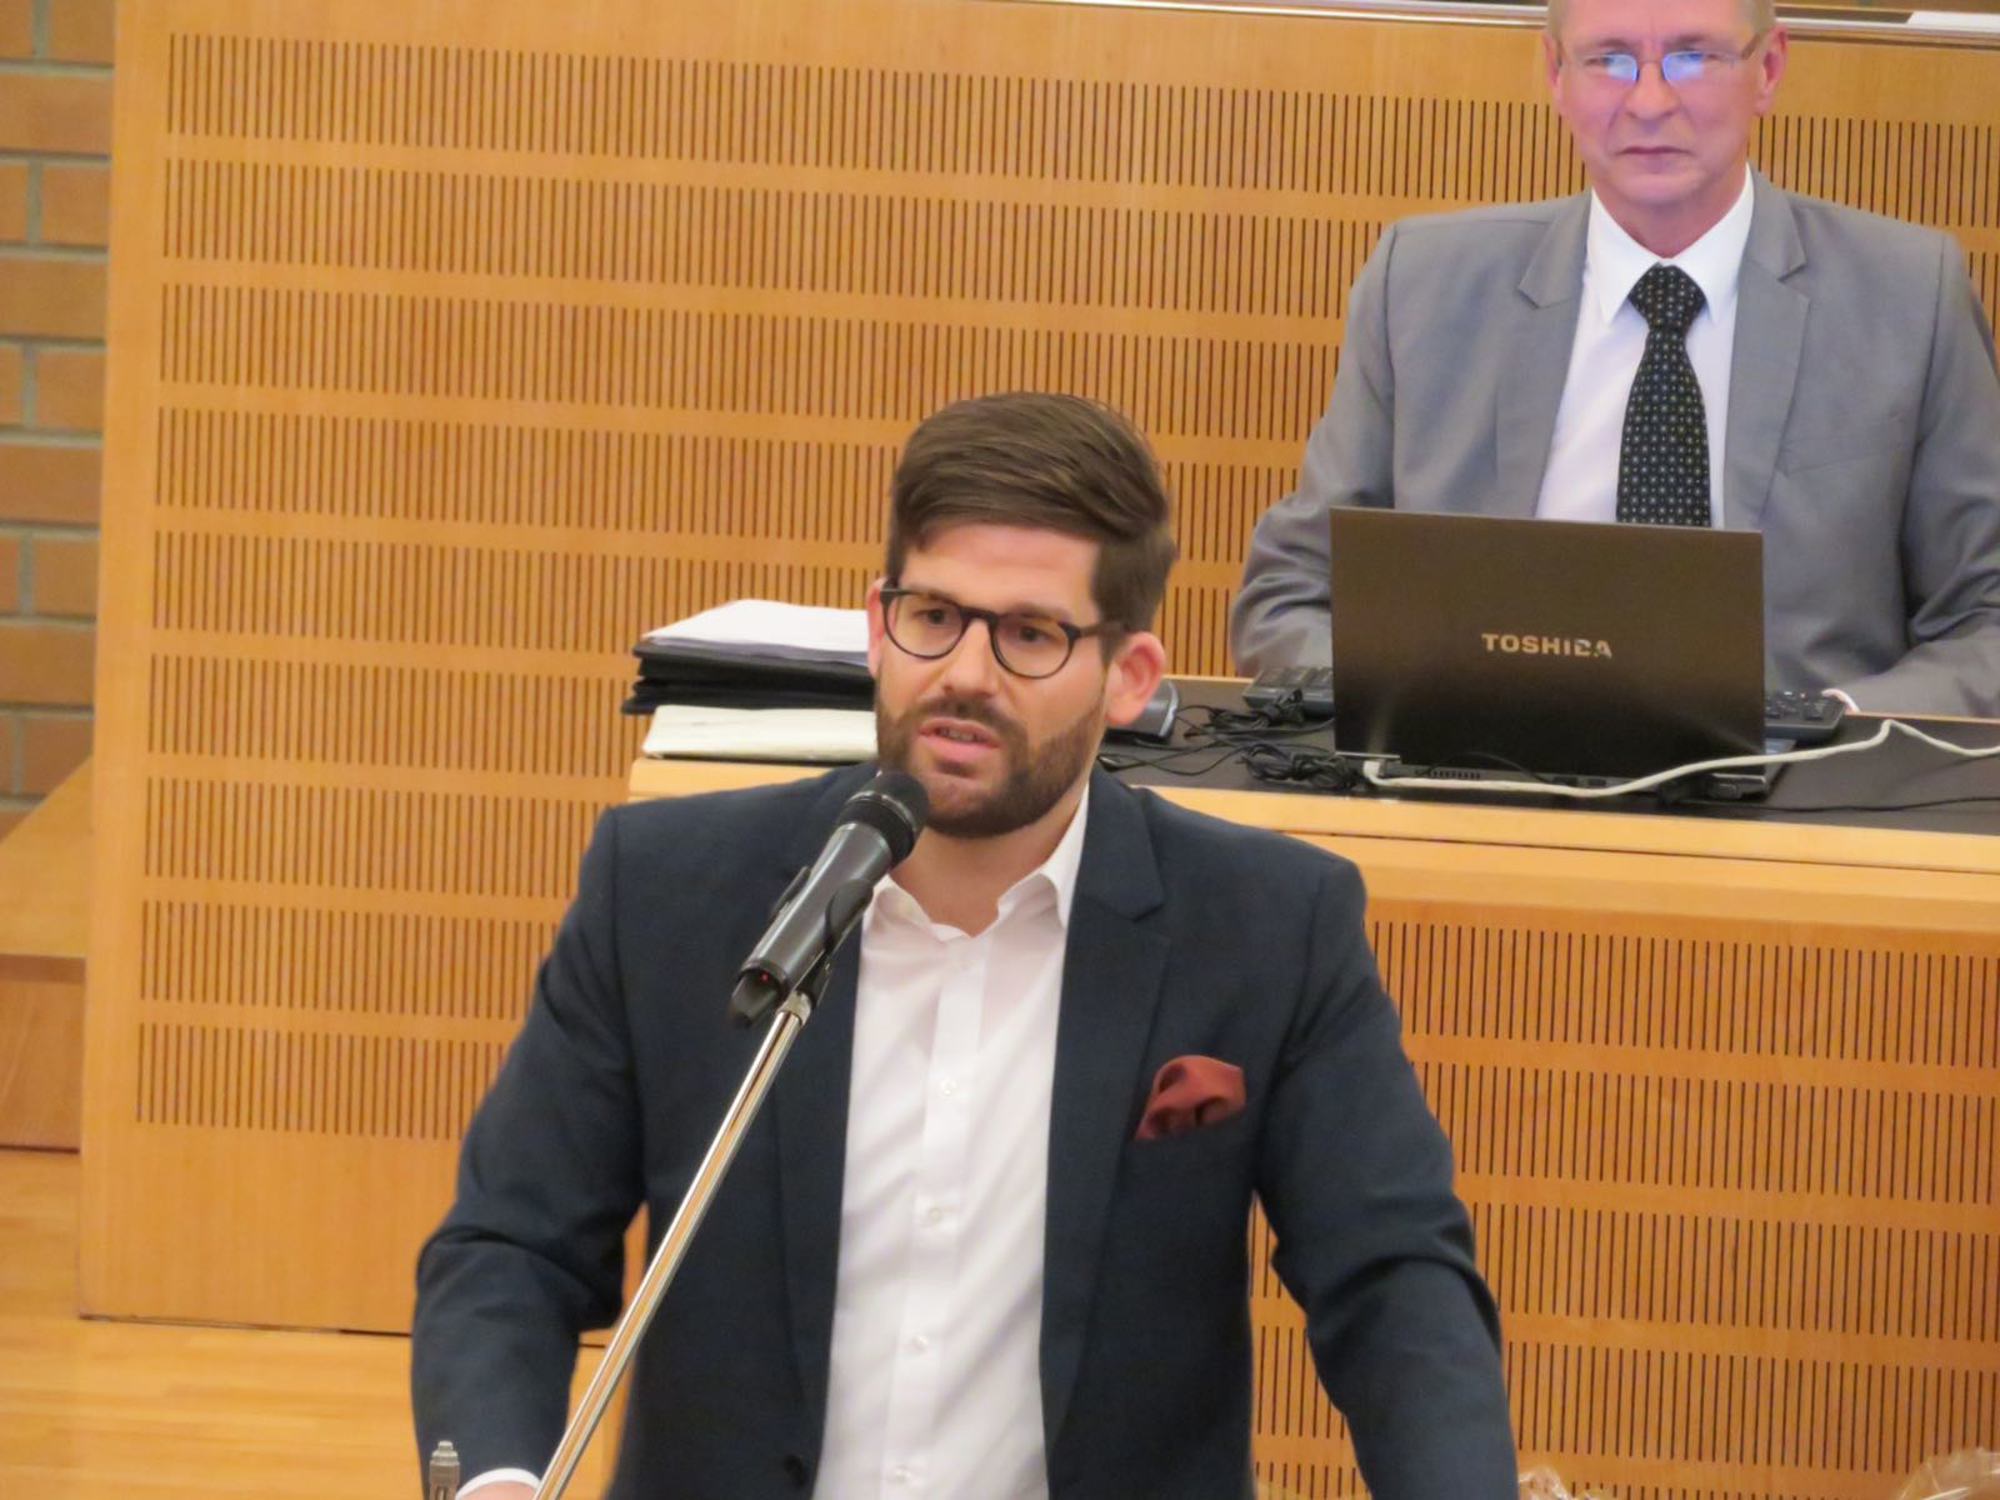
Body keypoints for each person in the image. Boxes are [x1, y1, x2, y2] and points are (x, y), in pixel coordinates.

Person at [411, 392, 1516, 1499]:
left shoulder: (1266, 927)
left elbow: (1393, 1284)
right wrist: (495, 1480)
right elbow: (513, 1250)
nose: (965, 675)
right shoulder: (669, 894)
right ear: (876, 623)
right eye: (934, 616)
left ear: (1129, 678)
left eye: (1030, 634)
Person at [1232, 0, 2000, 719]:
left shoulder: (1908, 295)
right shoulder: (1423, 287)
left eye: (1693, 57)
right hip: (1486, 775)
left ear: (1767, 70)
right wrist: (1422, 711)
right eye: (1609, 60)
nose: (1650, 102)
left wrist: (1833, 733)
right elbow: (1292, 593)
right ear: (1555, 75)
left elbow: (1986, 616)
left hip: (1805, 791)